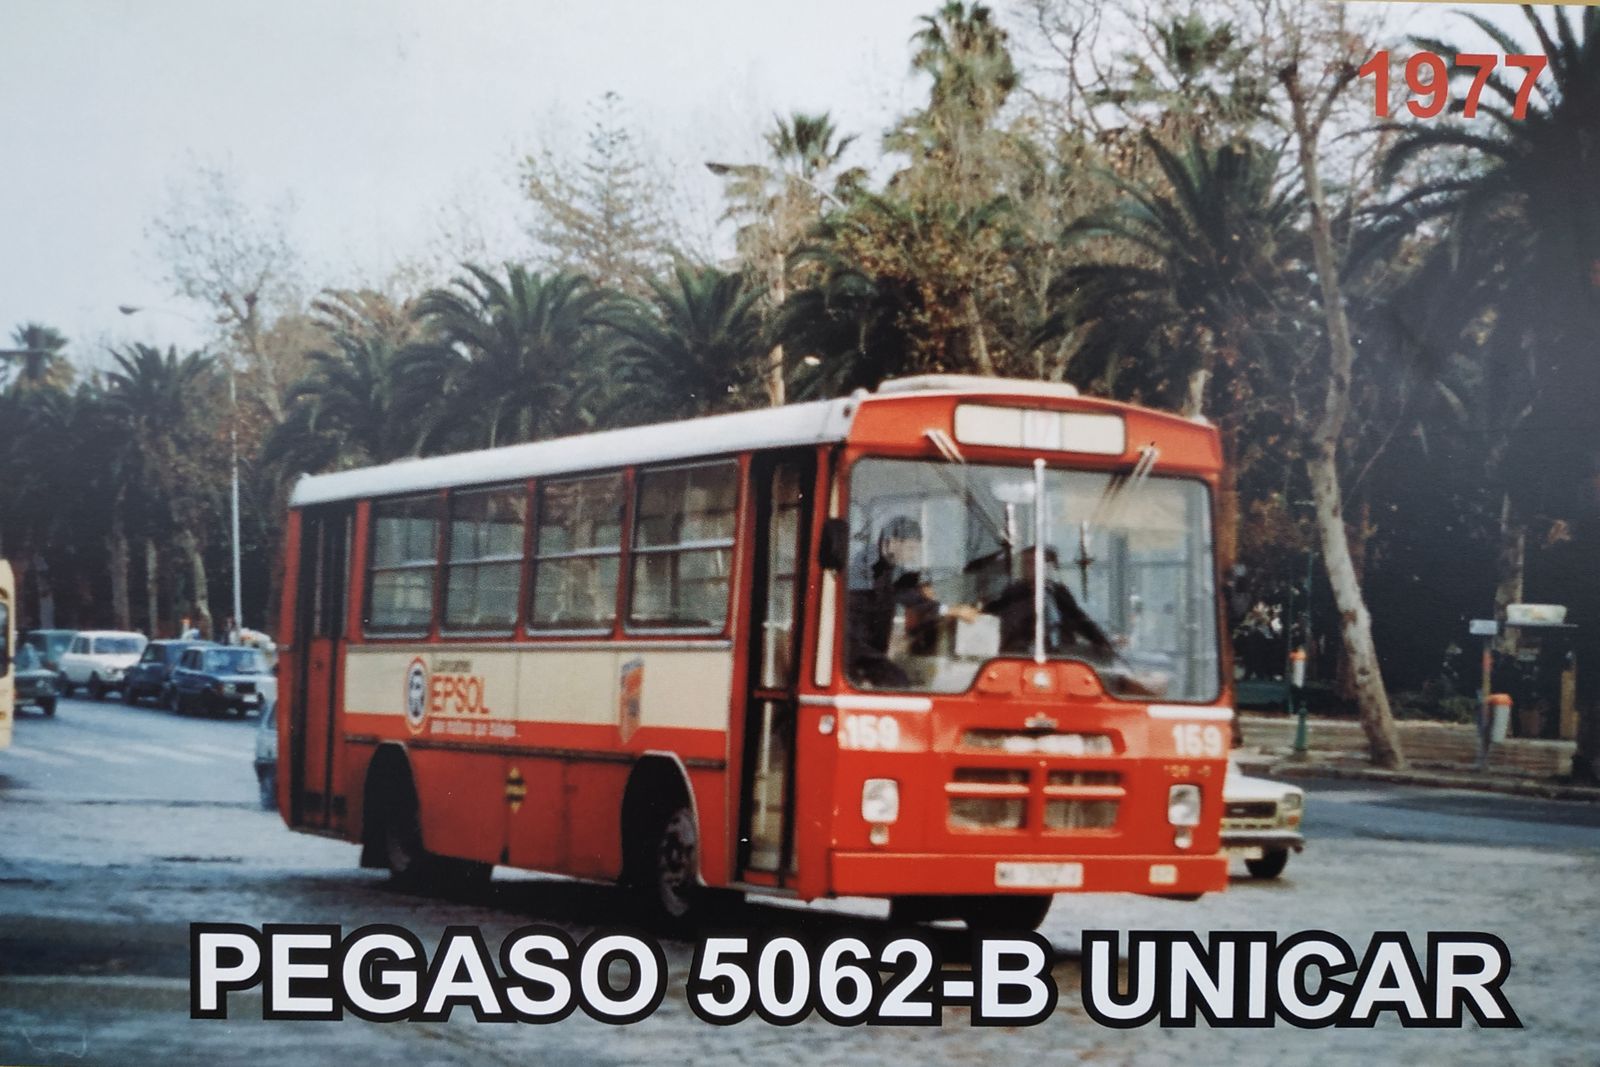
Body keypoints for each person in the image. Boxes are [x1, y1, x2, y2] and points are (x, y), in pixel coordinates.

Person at [847, 516, 979, 688]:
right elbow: (906, 595)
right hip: (856, 649)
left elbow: (908, 592)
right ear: (892, 543)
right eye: (910, 548)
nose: (913, 554)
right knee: (898, 684)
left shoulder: (887, 564)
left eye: (916, 549)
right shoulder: (868, 566)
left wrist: (941, 605)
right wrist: (951, 610)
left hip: (868, 650)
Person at [981, 548, 1114, 658]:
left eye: (1032, 563)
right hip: (1018, 655)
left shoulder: (1058, 593)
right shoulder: (1013, 593)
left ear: (1048, 567)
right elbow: (995, 612)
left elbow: (1079, 619)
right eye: (1025, 563)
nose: (1026, 568)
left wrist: (1102, 642)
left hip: (1060, 655)